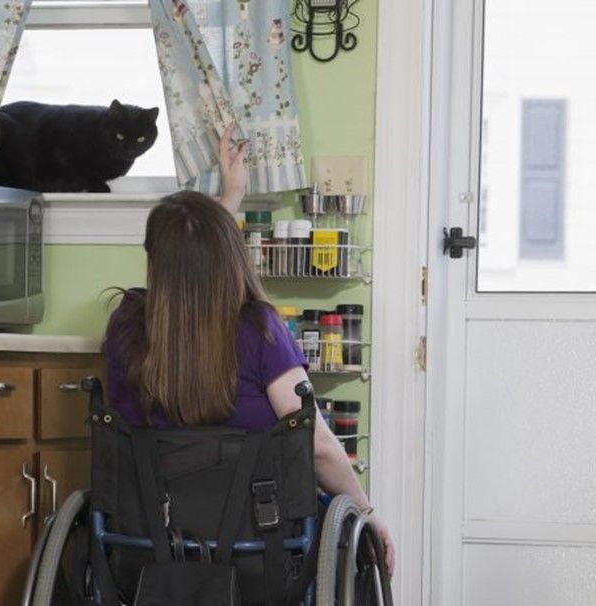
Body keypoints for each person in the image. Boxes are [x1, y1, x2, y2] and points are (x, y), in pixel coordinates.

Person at [102, 124, 396, 578]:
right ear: (231, 255)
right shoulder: (259, 329)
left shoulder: (126, 323)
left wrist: (227, 200)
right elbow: (317, 447)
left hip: (151, 551)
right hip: (259, 551)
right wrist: (367, 511)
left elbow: (185, 272)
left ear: (152, 259)